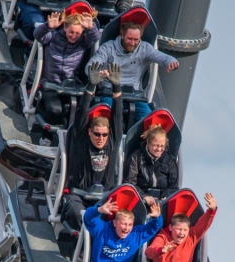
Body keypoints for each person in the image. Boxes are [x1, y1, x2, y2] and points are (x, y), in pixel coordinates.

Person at [61, 63, 122, 231]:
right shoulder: (82, 139)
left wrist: (116, 87)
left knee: (123, 218)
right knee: (77, 212)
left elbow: (117, 115)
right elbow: (81, 113)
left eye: (104, 135)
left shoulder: (112, 141)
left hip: (104, 198)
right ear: (89, 132)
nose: (101, 138)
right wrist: (91, 86)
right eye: (97, 134)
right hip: (79, 196)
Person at [87, 19, 179, 123]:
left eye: (136, 39)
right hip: (109, 93)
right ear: (122, 35)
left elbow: (162, 57)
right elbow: (92, 64)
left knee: (150, 121)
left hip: (134, 94)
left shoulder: (144, 48)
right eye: (130, 39)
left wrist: (171, 61)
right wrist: (96, 73)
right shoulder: (108, 47)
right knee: (103, 117)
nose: (133, 43)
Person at [145, 193, 218, 262]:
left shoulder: (191, 237)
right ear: (170, 228)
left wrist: (212, 210)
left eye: (185, 230)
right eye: (179, 229)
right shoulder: (163, 237)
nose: (182, 233)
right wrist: (162, 250)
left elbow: (203, 225)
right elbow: (149, 252)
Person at [33, 4, 100, 122]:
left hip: (71, 85)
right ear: (65, 28)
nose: (74, 36)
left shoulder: (83, 42)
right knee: (55, 110)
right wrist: (47, 26)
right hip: (50, 84)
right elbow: (38, 35)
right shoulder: (54, 36)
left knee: (84, 110)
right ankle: (46, 135)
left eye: (77, 33)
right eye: (71, 32)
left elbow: (95, 38)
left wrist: (91, 27)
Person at [124, 123, 179, 205]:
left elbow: (173, 186)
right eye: (155, 145)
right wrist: (144, 196)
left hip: (161, 201)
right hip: (139, 199)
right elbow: (130, 182)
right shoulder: (135, 158)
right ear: (148, 142)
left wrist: (166, 196)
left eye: (162, 146)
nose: (159, 149)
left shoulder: (170, 160)